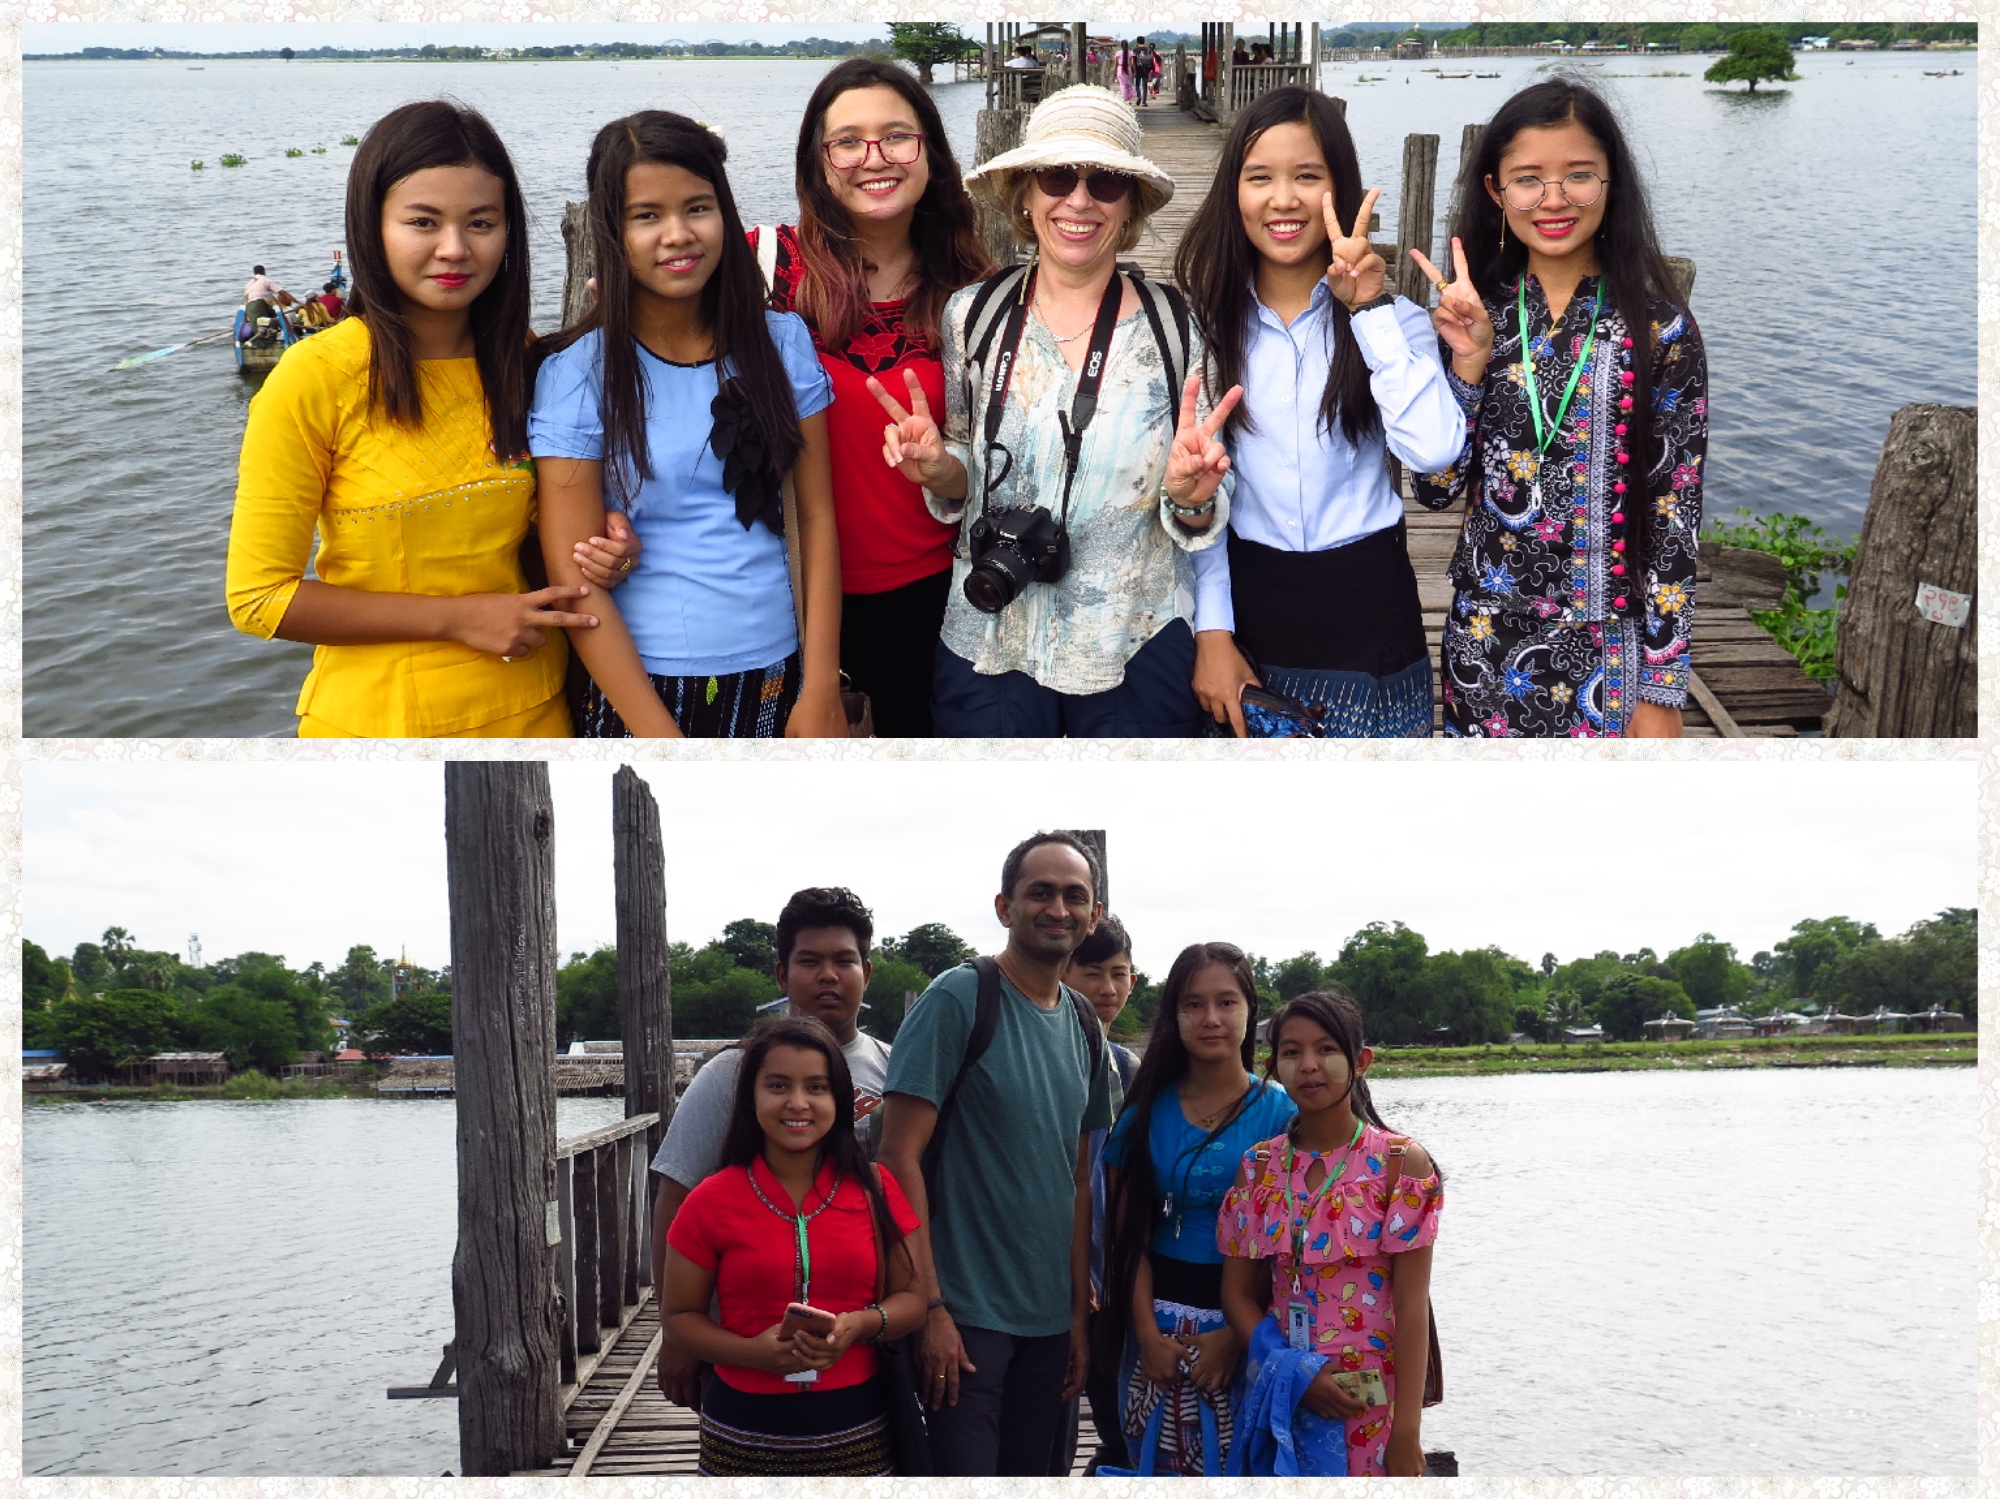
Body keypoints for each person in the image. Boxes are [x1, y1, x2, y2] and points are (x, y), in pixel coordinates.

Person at [867, 86, 1243, 737]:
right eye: (1057, 176)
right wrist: (935, 469)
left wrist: (1190, 495)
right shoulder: (973, 316)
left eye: (1104, 182)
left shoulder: (1176, 329)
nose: (1079, 199)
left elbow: (1200, 490)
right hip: (991, 635)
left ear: (1129, 207)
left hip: (1135, 640)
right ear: (1024, 194)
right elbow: (963, 470)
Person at [226, 100, 590, 737]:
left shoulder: (526, 363)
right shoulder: (315, 377)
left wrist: (607, 546)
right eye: (423, 222)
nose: (454, 249)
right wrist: (457, 617)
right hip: (380, 725)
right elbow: (259, 599)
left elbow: (544, 543)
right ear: (373, 226)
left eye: (482, 222)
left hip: (540, 712)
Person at [530, 111, 846, 738]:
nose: (677, 234)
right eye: (646, 216)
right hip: (642, 685)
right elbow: (575, 577)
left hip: (782, 671)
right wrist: (660, 739)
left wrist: (820, 687)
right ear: (611, 231)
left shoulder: (781, 344)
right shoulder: (578, 374)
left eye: (697, 208)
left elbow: (815, 517)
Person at [1409, 77, 1708, 737]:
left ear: (1612, 182)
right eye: (1527, 179)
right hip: (1483, 641)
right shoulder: (1472, 311)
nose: (1552, 199)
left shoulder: (1661, 328)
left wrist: (1661, 685)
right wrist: (1466, 365)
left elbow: (1674, 515)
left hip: (1608, 653)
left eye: (1578, 175)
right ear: (1495, 190)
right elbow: (1434, 488)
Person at [1177, 87, 1463, 738]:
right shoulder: (1204, 329)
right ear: (1233, 192)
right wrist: (1213, 631)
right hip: (1253, 611)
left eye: (1308, 176)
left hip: (1372, 613)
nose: (1284, 199)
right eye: (1260, 179)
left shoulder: (1398, 324)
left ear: (1342, 187)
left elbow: (1435, 450)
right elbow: (1198, 495)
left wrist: (1368, 310)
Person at [876, 832, 1113, 1474]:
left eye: (1074, 896)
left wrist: (1077, 1319)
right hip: (965, 1319)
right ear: (1005, 907)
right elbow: (896, 1159)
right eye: (1040, 892)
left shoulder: (1085, 1023)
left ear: (1094, 915)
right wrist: (929, 1308)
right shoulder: (960, 997)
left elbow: (1077, 1180)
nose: (1057, 908)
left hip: (1051, 1325)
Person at [648, 887, 894, 1405]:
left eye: (843, 961)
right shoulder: (731, 1075)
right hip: (741, 1346)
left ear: (867, 973)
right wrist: (674, 1336)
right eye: (809, 961)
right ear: (782, 975)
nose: (828, 975)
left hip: (865, 1348)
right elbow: (675, 1200)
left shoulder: (895, 1071)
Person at [661, 1015, 926, 1475]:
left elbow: (913, 1301)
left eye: (817, 1087)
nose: (797, 1103)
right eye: (778, 1086)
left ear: (840, 1099)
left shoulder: (875, 1189)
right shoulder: (710, 1199)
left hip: (856, 1426)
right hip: (741, 1428)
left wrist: (858, 1325)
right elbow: (679, 1319)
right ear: (751, 1097)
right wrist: (752, 1354)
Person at [1218, 991, 1440, 1476]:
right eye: (1292, 1052)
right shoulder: (1257, 1169)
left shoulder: (1399, 1164)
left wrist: (1406, 1433)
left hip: (1371, 1403)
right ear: (1274, 1066)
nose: (1309, 1065)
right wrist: (1297, 1373)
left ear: (1360, 1061)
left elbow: (1410, 1306)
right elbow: (1235, 1295)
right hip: (1283, 1396)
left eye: (1326, 1049)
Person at [1100, 943, 1296, 1474]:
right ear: (1174, 1016)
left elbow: (1294, 1256)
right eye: (1193, 1004)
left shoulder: (1283, 1115)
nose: (1211, 1019)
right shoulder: (1143, 1114)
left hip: (1251, 1331)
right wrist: (1146, 1335)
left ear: (1250, 1011)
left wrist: (1237, 1337)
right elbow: (1126, 1239)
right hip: (1156, 1328)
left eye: (1227, 1003)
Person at [1066, 914, 1143, 1473]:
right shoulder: (1045, 1061)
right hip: (1050, 1271)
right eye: (1093, 973)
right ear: (1064, 973)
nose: (1107, 989)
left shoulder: (1129, 1069)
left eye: (1119, 974)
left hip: (1115, 1274)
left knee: (1119, 1417)